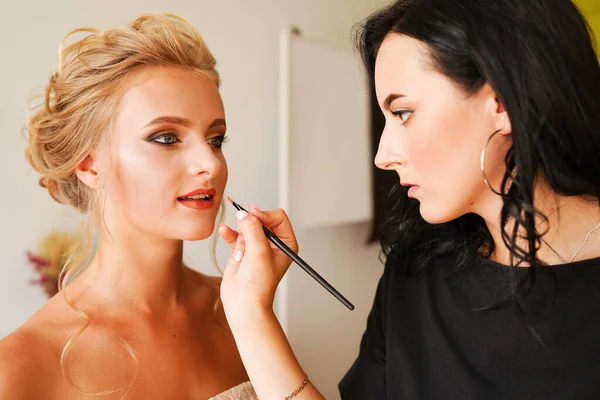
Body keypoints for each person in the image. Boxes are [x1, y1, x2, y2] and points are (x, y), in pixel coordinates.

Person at [217, 0, 600, 398]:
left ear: (501, 101)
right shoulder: (417, 271)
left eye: (402, 112)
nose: (383, 156)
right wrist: (250, 312)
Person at [0, 13, 256, 400]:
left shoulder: (239, 308)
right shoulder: (22, 365)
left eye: (216, 139)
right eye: (167, 137)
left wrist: (257, 314)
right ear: (89, 165)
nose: (210, 163)